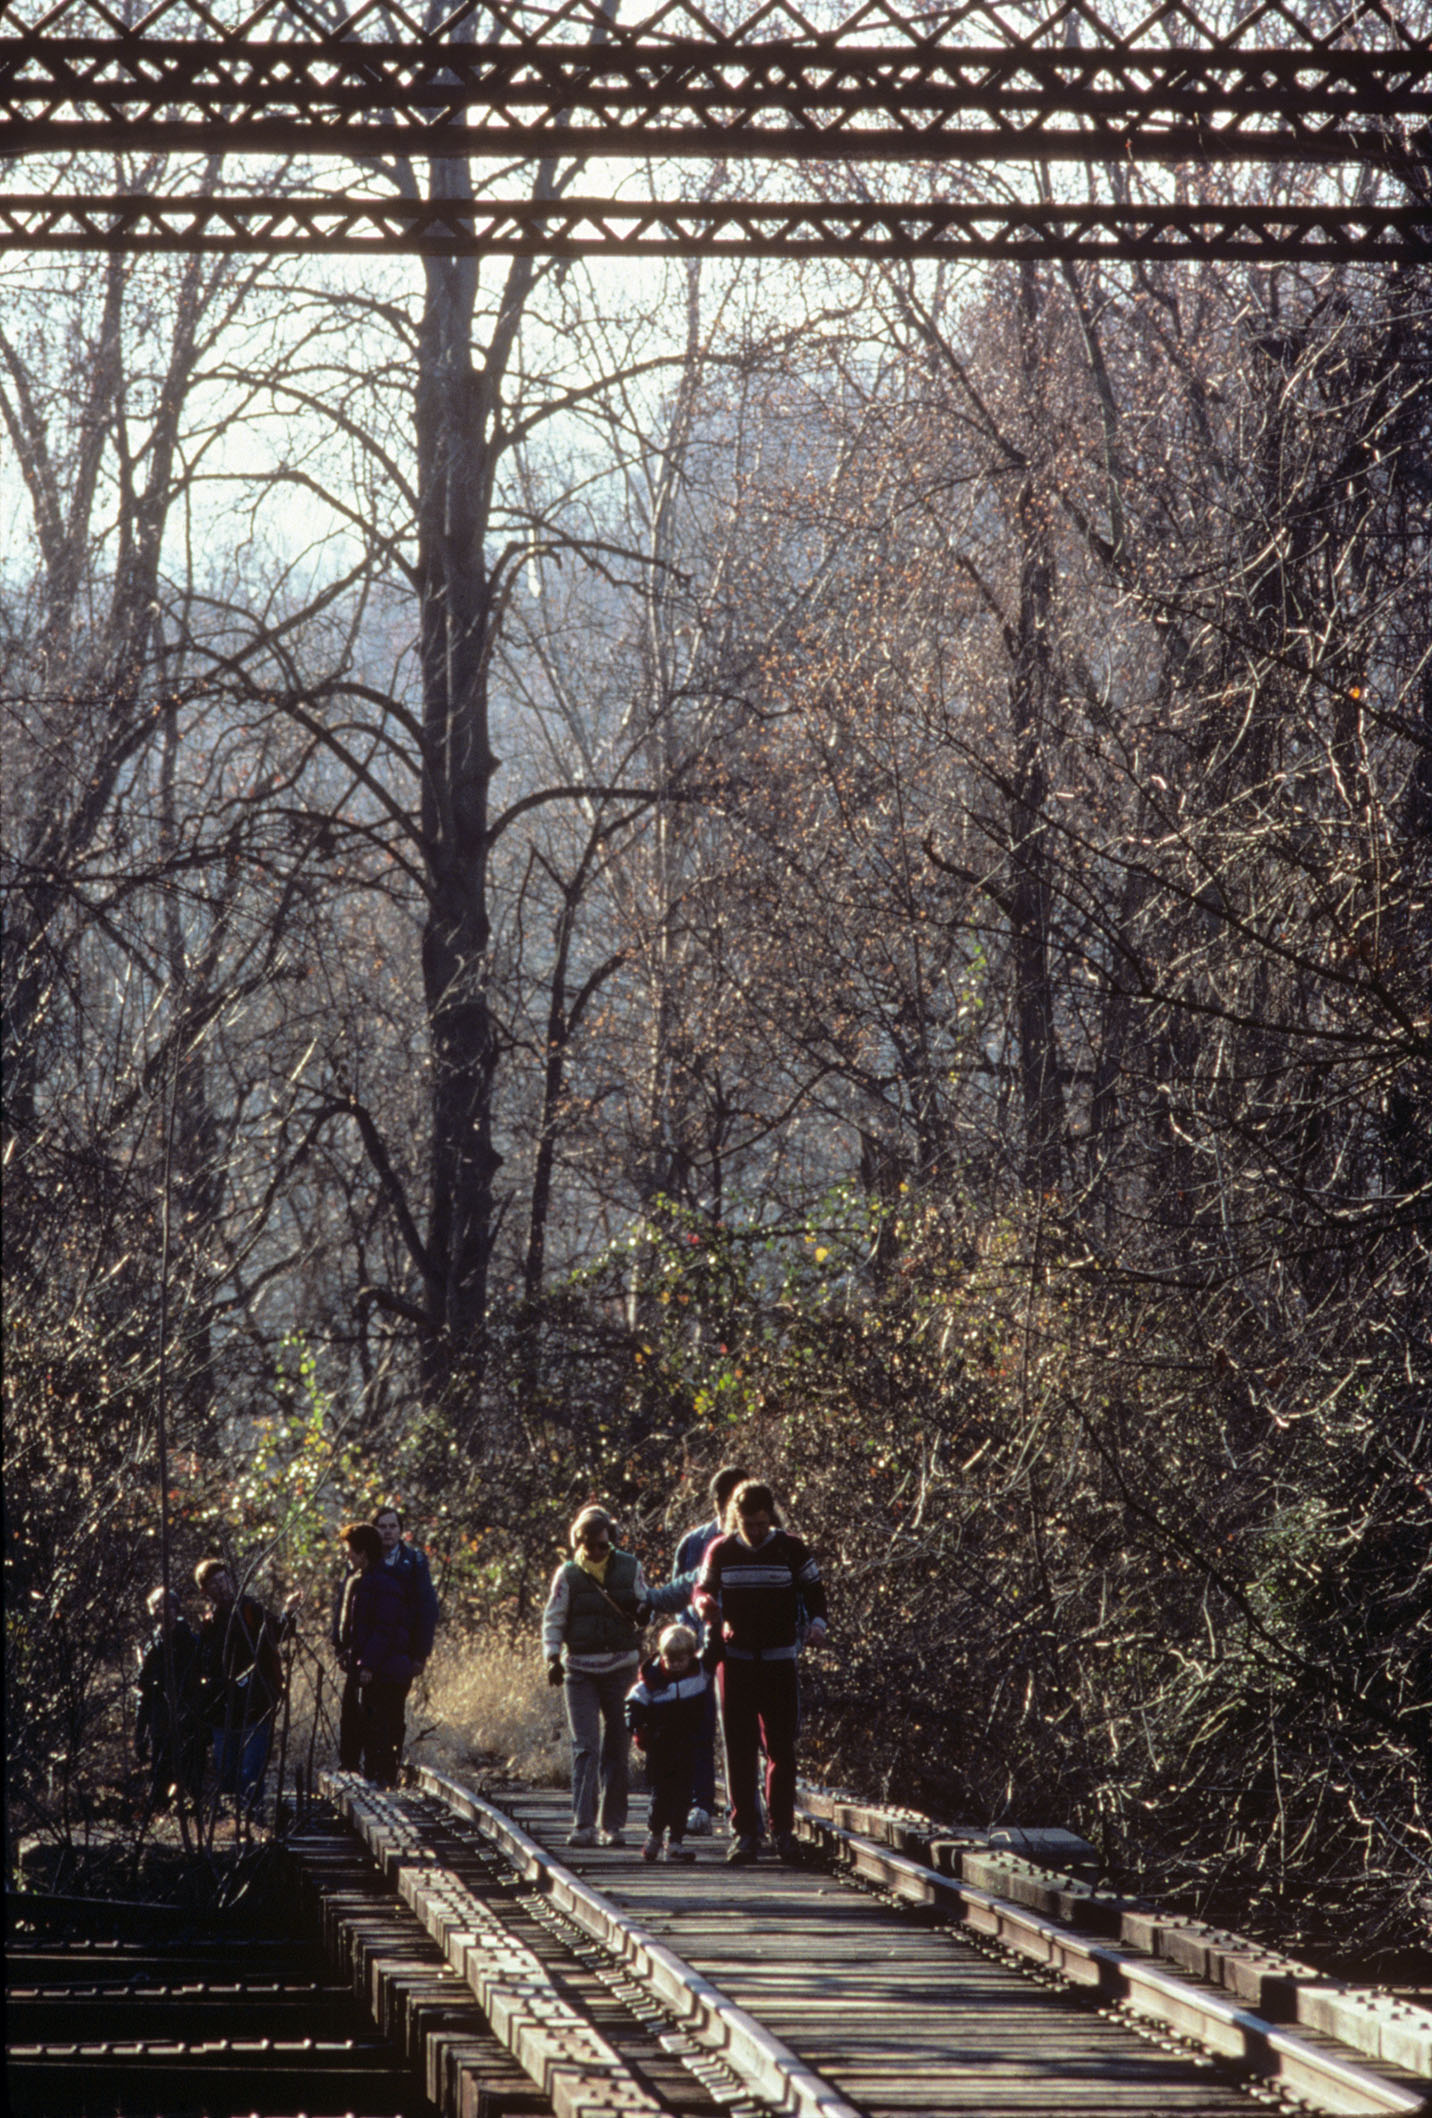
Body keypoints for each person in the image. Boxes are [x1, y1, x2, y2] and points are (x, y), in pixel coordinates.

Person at [695, 1479, 827, 1867]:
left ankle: (782, 1831)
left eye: (761, 1524)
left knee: (780, 1749)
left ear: (771, 1517)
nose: (754, 1531)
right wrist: (705, 1605)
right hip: (735, 1660)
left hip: (779, 1659)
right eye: (748, 1524)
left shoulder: (791, 1548)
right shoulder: (721, 1549)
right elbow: (702, 1589)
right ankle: (744, 1834)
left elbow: (815, 1592)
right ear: (736, 1519)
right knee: (739, 1748)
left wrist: (817, 1624)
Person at [643, 1463, 749, 1836]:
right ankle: (700, 1805)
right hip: (696, 1653)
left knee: (740, 1734)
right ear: (719, 1502)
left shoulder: (757, 1541)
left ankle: (745, 1811)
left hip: (738, 1648)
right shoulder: (694, 1543)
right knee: (698, 1730)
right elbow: (680, 1594)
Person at [542, 1504, 649, 1849]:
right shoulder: (568, 1575)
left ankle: (612, 1825)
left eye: (603, 1544)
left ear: (611, 1541)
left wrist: (643, 1612)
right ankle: (583, 1823)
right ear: (580, 1542)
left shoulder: (631, 1567)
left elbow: (645, 1601)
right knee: (585, 1747)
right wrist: (552, 1656)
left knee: (617, 1746)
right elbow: (554, 1618)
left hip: (621, 1668)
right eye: (589, 1545)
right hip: (580, 1671)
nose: (597, 1551)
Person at [194, 1558, 297, 1816]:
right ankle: (232, 1823)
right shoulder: (208, 1623)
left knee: (252, 1772)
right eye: (214, 1584)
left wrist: (289, 1612)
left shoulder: (251, 1610)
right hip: (223, 1711)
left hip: (256, 1706)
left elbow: (279, 1632)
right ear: (204, 1591)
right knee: (226, 1773)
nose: (222, 1587)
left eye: (225, 1580)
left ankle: (254, 1821)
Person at [334, 1521, 417, 1786]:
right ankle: (358, 1782)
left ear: (363, 1553)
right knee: (354, 1727)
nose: (347, 1556)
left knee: (379, 1733)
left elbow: (385, 1629)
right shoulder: (358, 1581)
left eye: (350, 1551)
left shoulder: (386, 1583)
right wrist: (344, 1651)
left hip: (385, 1673)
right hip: (364, 1669)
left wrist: (368, 1665)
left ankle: (380, 1787)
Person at [626, 1624, 708, 1863]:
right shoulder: (652, 1682)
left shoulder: (698, 1677)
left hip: (687, 1746)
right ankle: (654, 1836)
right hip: (660, 1747)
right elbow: (633, 1703)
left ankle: (675, 1842)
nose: (675, 1665)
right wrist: (636, 1725)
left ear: (690, 1657)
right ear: (662, 1656)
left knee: (683, 1795)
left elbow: (713, 1653)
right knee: (661, 1795)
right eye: (670, 1660)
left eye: (681, 1660)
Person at [134, 1585, 203, 1809]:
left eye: (170, 1606)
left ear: (177, 1608)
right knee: (159, 1784)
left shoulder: (192, 1643)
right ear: (153, 1611)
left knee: (192, 1784)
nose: (165, 1611)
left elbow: (202, 1684)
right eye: (159, 1607)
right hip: (160, 1724)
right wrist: (140, 1732)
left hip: (189, 1722)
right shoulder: (152, 1646)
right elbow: (144, 1693)